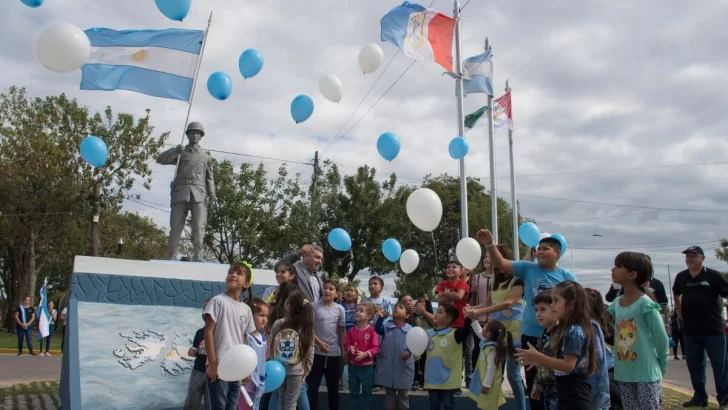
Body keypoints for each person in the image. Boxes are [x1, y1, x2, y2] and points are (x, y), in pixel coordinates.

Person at [476, 229, 576, 410]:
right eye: (539, 249)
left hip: (557, 338)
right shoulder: (528, 268)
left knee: (555, 386)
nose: (540, 252)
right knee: (534, 388)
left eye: (546, 249)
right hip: (530, 338)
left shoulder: (567, 277)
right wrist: (490, 244)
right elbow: (502, 264)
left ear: (558, 253)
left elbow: (575, 305)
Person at [516, 281, 597, 410]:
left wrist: (539, 358)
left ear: (571, 304)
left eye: (556, 301)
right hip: (564, 392)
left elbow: (568, 365)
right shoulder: (567, 330)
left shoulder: (573, 331)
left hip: (573, 394)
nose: (552, 305)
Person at [464, 244, 527, 410]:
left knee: (513, 375)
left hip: (514, 335)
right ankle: (492, 406)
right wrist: (472, 309)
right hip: (497, 334)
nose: (489, 259)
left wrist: (481, 311)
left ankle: (522, 407)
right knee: (494, 373)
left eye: (492, 255)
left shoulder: (518, 279)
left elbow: (508, 302)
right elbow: (488, 302)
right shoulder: (494, 280)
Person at [606, 252, 668, 410]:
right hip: (624, 373)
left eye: (618, 266)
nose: (612, 270)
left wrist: (661, 366)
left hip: (646, 373)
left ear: (632, 274)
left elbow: (661, 338)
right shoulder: (617, 303)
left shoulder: (645, 304)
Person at [672, 245, 728, 408]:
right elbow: (676, 293)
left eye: (694, 256)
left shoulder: (713, 276)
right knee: (695, 365)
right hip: (691, 330)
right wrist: (679, 312)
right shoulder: (681, 277)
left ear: (702, 258)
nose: (689, 259)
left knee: (720, 366)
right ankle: (699, 397)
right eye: (687, 256)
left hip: (714, 330)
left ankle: (724, 399)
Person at [204, 262, 257, 410]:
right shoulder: (218, 301)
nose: (233, 275)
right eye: (231, 272)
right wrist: (213, 363)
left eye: (238, 273)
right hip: (219, 365)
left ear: (246, 283)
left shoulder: (246, 309)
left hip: (237, 367)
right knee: (219, 406)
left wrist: (246, 368)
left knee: (232, 406)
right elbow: (208, 332)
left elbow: (244, 339)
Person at [270, 290, 315, 410]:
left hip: (279, 369)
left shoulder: (278, 323)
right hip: (298, 370)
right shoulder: (306, 327)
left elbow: (271, 344)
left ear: (288, 306)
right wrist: (306, 371)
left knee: (282, 399)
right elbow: (310, 352)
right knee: (291, 401)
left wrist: (273, 362)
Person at [307, 280, 347, 410]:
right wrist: (319, 343)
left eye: (331, 289)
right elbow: (309, 328)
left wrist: (344, 350)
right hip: (316, 353)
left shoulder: (340, 309)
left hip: (333, 354)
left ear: (336, 294)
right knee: (312, 388)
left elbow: (341, 331)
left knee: (333, 389)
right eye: (325, 288)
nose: (327, 291)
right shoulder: (313, 306)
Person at [424, 304, 471, 410]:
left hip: (448, 380)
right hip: (432, 379)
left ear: (448, 319)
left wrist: (467, 318)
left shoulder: (454, 334)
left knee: (447, 404)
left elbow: (466, 331)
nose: (436, 314)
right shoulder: (428, 334)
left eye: (440, 312)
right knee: (434, 404)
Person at [435, 258, 471, 388]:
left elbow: (460, 296)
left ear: (460, 271)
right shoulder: (442, 283)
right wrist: (449, 293)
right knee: (449, 353)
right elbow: (439, 299)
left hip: (461, 323)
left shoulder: (462, 283)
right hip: (446, 325)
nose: (450, 269)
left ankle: (465, 379)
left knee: (463, 353)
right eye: (448, 266)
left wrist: (446, 293)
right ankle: (450, 379)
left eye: (454, 267)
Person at [586, 288, 623, 410]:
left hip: (606, 371)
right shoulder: (600, 324)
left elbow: (598, 354)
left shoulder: (593, 326)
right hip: (607, 370)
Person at [374, 300, 415, 410]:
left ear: (406, 315)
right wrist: (381, 318)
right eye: (395, 307)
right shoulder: (386, 325)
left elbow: (415, 343)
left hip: (403, 368)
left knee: (403, 397)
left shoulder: (410, 329)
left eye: (400, 307)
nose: (396, 308)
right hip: (388, 367)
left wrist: (409, 351)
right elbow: (378, 329)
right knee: (389, 397)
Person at [468, 319, 512, 409]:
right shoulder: (486, 343)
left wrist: (486, 385)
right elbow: (480, 332)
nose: (482, 327)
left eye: (485, 326)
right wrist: (474, 320)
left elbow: (491, 369)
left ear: (488, 333)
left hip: (489, 386)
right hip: (485, 383)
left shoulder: (492, 349)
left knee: (489, 406)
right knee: (485, 405)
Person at [345, 303, 379, 410]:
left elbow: (375, 348)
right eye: (356, 310)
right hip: (353, 367)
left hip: (366, 368)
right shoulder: (351, 331)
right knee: (353, 392)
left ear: (368, 316)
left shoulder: (371, 331)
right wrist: (350, 348)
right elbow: (346, 344)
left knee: (367, 393)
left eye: (361, 311)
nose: (357, 312)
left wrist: (365, 354)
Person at [240, 298, 269, 410]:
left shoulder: (262, 339)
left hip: (259, 385)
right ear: (250, 316)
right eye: (261, 315)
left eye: (267, 316)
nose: (265, 319)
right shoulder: (246, 337)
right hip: (246, 386)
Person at [531, 291, 558, 410]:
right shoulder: (543, 336)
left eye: (543, 309)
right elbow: (540, 363)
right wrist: (537, 384)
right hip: (547, 388)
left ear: (555, 310)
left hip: (558, 388)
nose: (538, 314)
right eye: (536, 310)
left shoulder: (561, 335)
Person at [184, 299, 212, 410]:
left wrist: (210, 346)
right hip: (198, 370)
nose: (206, 311)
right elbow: (196, 349)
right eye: (204, 308)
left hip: (213, 373)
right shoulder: (200, 332)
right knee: (192, 399)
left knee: (210, 402)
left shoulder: (220, 332)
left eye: (209, 308)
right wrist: (192, 352)